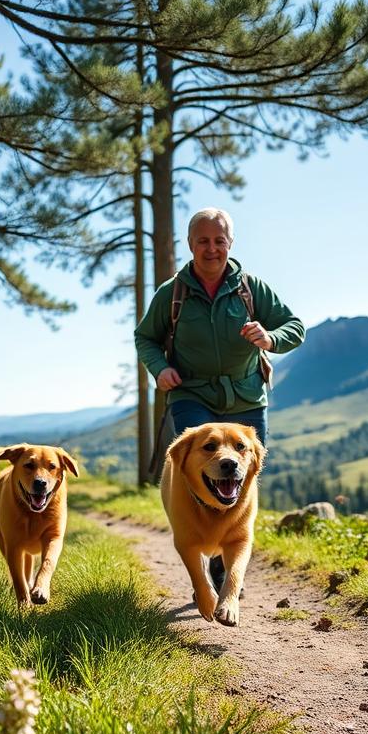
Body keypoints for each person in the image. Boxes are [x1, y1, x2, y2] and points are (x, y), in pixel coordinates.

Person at [134, 206, 305, 593]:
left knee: (243, 475)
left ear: (230, 243)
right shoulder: (172, 293)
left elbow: (296, 326)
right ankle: (208, 554)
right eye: (203, 241)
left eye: (219, 241)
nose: (212, 249)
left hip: (246, 396)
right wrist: (159, 368)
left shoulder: (251, 288)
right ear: (190, 244)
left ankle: (228, 555)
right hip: (191, 396)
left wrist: (270, 337)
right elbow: (145, 337)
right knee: (199, 471)